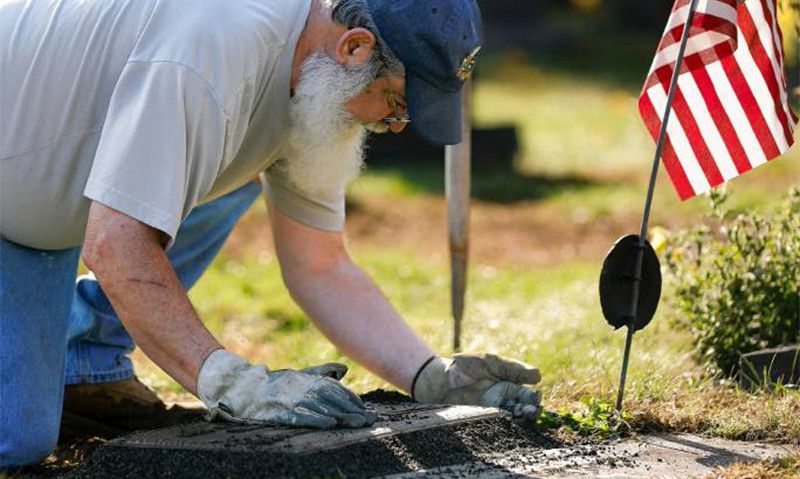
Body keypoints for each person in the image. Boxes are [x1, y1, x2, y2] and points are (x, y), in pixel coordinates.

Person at [0, 0, 542, 467]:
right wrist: (236, 385)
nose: (396, 125)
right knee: (17, 440)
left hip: (42, 199)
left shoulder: (317, 86)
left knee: (226, 174)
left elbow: (320, 263)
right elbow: (116, 245)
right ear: (354, 49)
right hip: (18, 203)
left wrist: (430, 377)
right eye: (397, 101)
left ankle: (85, 366)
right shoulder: (207, 56)